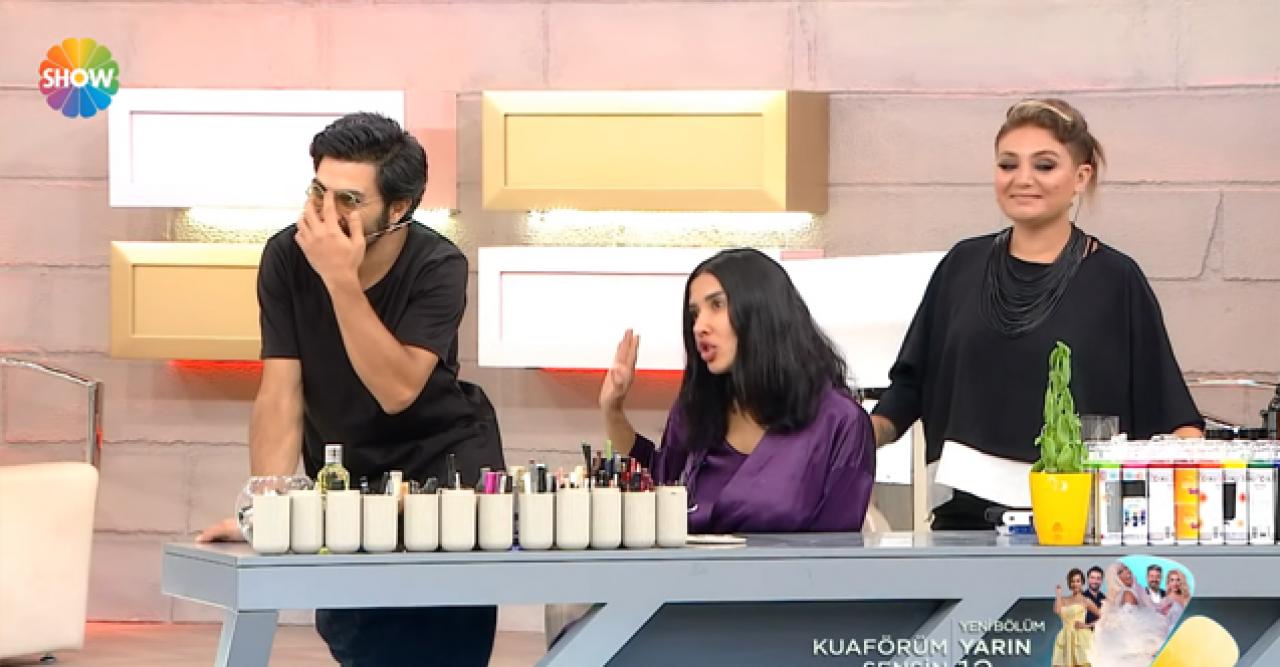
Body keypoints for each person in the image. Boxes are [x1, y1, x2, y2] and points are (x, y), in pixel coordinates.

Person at [196, 112, 503, 666]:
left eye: (349, 200)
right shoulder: (287, 256)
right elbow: (280, 392)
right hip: (347, 471)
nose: (326, 213)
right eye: (319, 191)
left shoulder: (439, 266)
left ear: (398, 208)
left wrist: (340, 279)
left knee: (440, 645)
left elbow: (397, 389)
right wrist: (266, 505)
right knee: (359, 640)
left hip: (440, 471)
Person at [869, 98, 1204, 529]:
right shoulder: (961, 266)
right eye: (1007, 165)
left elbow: (1170, 412)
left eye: (1044, 166)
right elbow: (908, 388)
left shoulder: (1116, 279)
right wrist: (848, 437)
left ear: (1081, 177)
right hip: (965, 525)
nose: (1023, 179)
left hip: (1080, 526)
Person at [599, 248, 876, 533]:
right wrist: (612, 409)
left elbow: (837, 549)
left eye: (716, 305)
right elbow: (661, 481)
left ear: (762, 310)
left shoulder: (840, 423)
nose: (699, 326)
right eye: (694, 314)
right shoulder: (697, 409)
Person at [1090, 562, 1168, 666]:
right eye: (1120, 572)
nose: (1127, 572)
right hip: (1132, 653)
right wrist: (1150, 645)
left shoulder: (1123, 594)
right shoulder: (1128, 593)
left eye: (1127, 568)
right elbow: (1132, 625)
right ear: (1116, 578)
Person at [1052, 568, 1101, 666]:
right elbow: (1057, 611)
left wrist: (1087, 625)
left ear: (1082, 583)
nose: (1075, 584)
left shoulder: (1086, 601)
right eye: (1072, 581)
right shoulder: (1063, 600)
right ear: (1069, 583)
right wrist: (1058, 594)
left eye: (1078, 581)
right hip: (1065, 637)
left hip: (1081, 638)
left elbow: (1103, 618)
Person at [1159, 568, 1191, 634]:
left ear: (1181, 582)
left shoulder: (1187, 598)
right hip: (1172, 633)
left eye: (1178, 580)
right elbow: (1161, 622)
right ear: (1169, 582)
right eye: (1172, 580)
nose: (1175, 583)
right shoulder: (1165, 600)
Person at [1083, 566, 1107, 631]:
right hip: (1085, 634)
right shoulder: (1081, 598)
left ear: (1102, 581)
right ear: (1088, 579)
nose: (1095, 581)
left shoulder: (1105, 599)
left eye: (1098, 578)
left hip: (1102, 634)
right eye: (1092, 578)